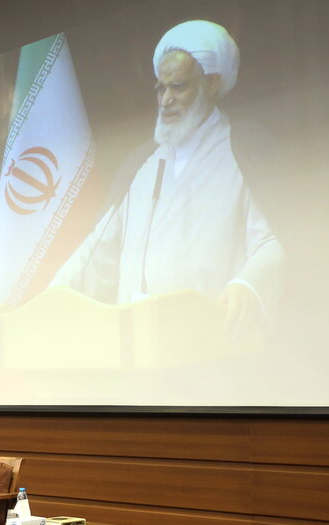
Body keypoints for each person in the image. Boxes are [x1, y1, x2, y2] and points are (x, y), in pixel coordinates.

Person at [51, 20, 284, 337]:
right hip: (137, 348)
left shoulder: (242, 150)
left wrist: (248, 285)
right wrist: (51, 300)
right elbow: (96, 253)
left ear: (211, 84)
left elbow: (272, 240)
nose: (165, 100)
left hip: (212, 346)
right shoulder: (141, 164)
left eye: (178, 86)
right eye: (160, 88)